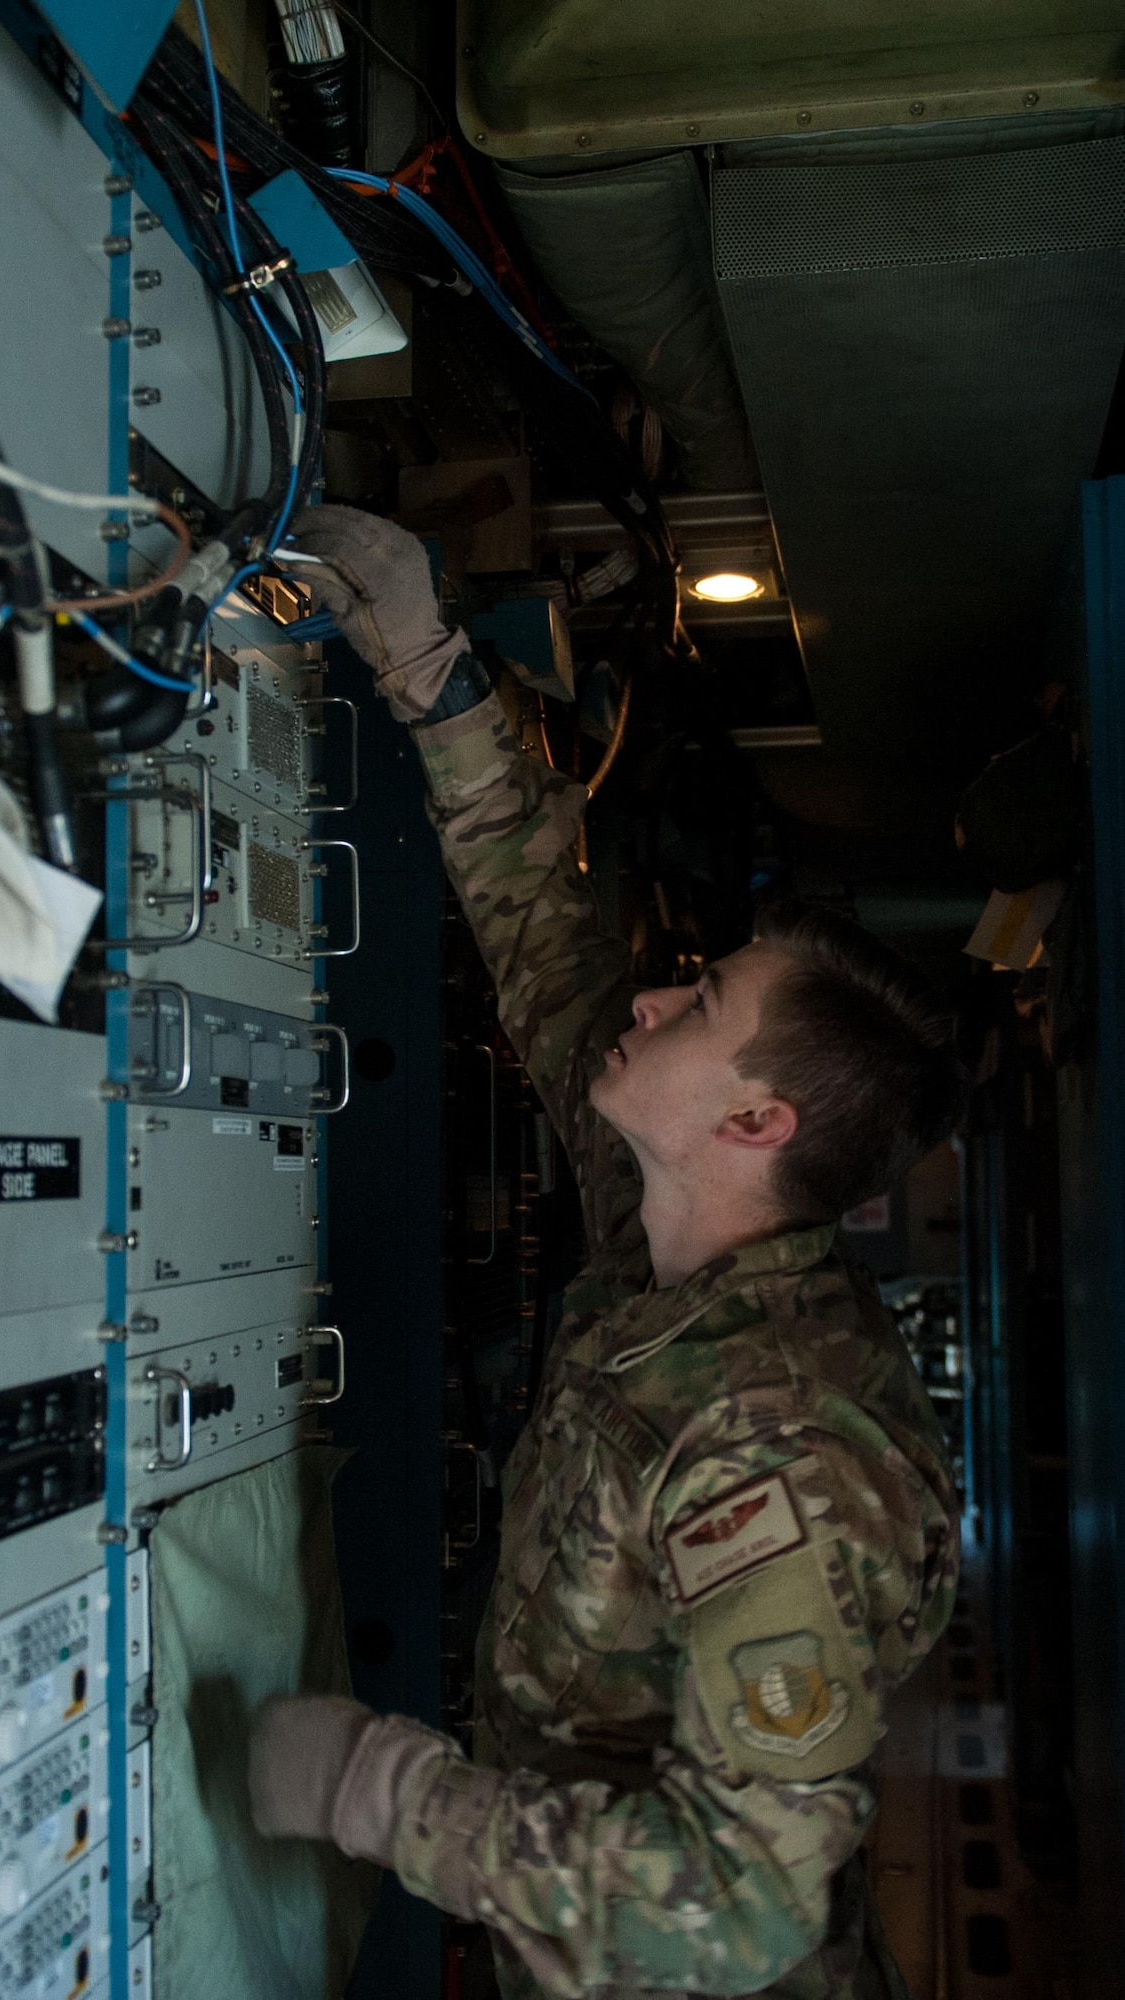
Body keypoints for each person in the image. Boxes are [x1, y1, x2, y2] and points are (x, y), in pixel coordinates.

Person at [248, 507, 966, 1999]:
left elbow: (737, 1910)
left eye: (697, 1004)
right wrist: (434, 675)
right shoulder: (682, 1251)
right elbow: (552, 957)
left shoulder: (782, 1455)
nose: (649, 1005)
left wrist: (379, 1793)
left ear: (755, 1120)